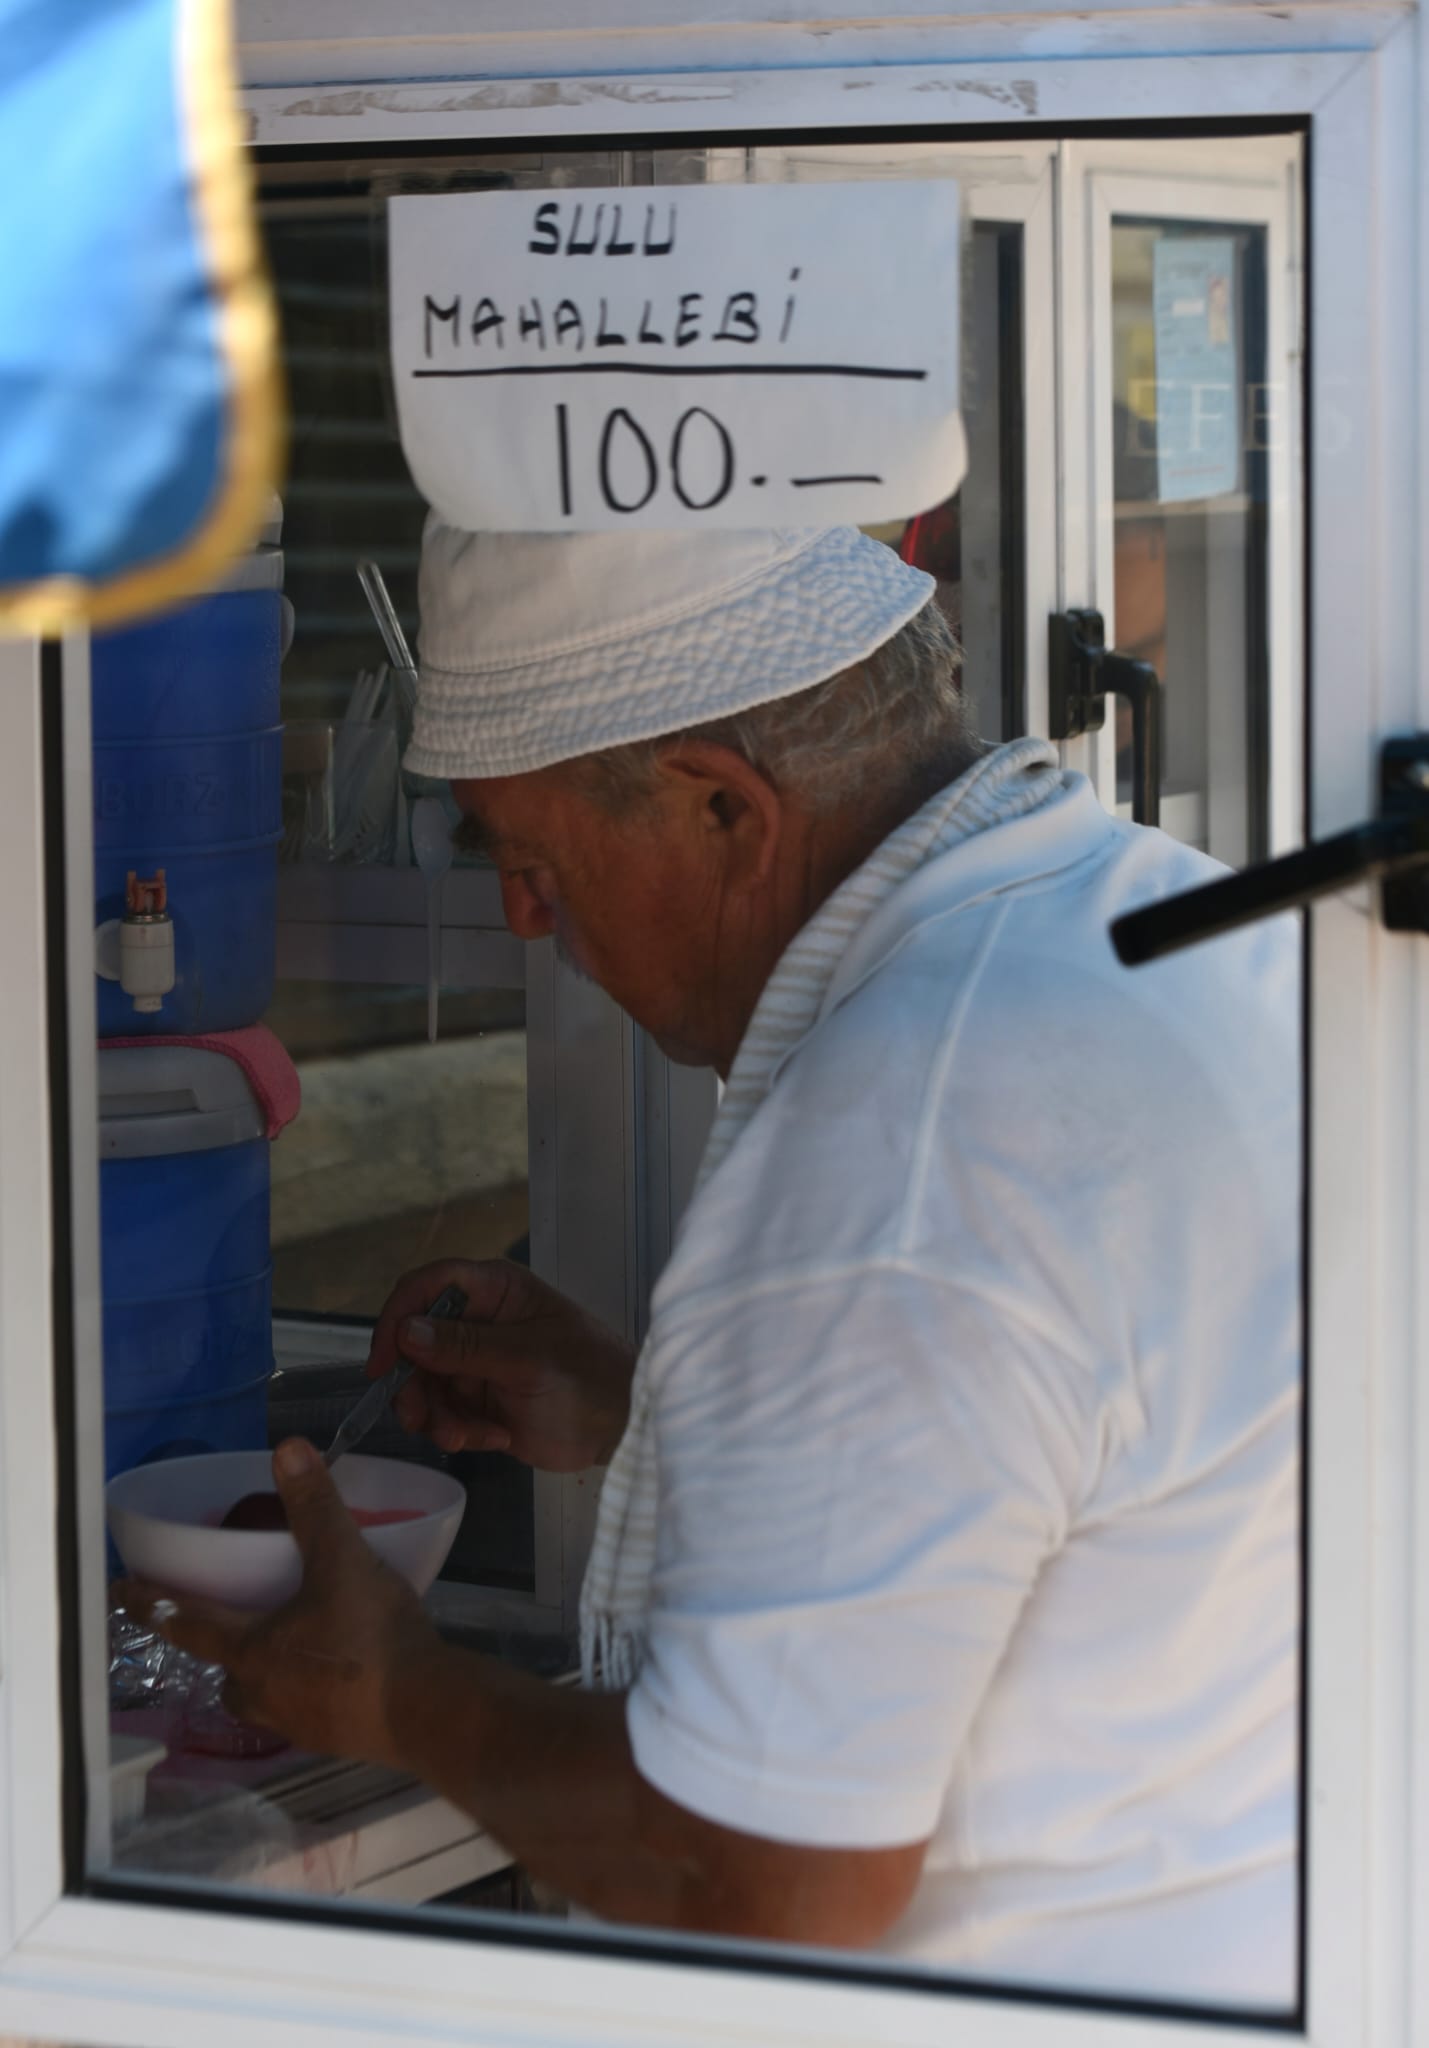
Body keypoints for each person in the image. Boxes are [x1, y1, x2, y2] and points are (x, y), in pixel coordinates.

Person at [129, 521, 1299, 2007]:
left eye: (533, 859)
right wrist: (669, 1415)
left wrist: (405, 1695)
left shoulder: (893, 1150)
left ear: (723, 807)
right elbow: (1059, 1458)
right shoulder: (1163, 923)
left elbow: (761, 1879)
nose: (523, 918)